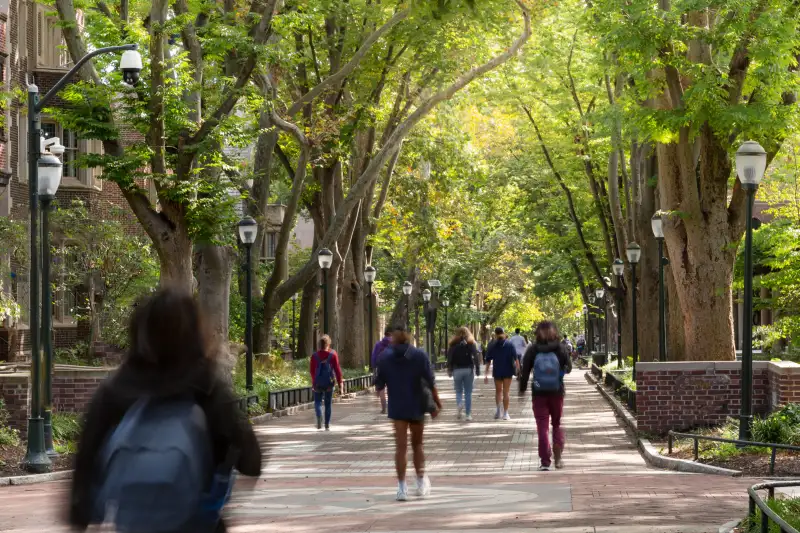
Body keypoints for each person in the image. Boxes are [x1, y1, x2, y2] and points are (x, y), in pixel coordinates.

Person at [69, 288, 263, 533]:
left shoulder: (117, 389)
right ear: (193, 333)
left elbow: (85, 464)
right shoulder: (208, 388)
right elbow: (252, 461)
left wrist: (82, 516)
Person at [375, 325, 442, 502]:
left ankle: (401, 487)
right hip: (417, 404)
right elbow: (430, 380)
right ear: (409, 335)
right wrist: (436, 402)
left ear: (393, 337)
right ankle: (420, 482)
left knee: (400, 447)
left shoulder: (385, 357)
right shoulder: (419, 355)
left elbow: (379, 384)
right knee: (417, 445)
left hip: (397, 405)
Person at [519, 321, 573, 471]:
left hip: (539, 392)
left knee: (542, 426)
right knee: (556, 423)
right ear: (554, 332)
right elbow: (569, 368)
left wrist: (522, 390)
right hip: (557, 391)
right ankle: (558, 450)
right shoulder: (560, 348)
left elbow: (524, 373)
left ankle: (545, 460)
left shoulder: (533, 349)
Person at [484, 327, 520, 420]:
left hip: (497, 371)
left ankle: (498, 411)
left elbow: (488, 360)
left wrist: (486, 374)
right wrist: (519, 371)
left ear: (495, 334)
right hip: (508, 370)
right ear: (504, 333)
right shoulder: (510, 344)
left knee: (498, 391)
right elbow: (516, 359)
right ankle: (506, 413)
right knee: (506, 392)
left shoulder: (492, 345)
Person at [310, 335, 344, 430]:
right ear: (328, 344)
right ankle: (327, 424)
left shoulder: (314, 356)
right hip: (329, 383)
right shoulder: (333, 354)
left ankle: (319, 416)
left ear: (319, 345)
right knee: (328, 404)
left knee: (317, 402)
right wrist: (340, 384)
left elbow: (312, 371)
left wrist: (314, 382)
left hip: (318, 383)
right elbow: (337, 370)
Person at [446, 326, 481, 421]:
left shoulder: (453, 345)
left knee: (458, 391)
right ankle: (468, 415)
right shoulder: (471, 344)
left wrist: (449, 369)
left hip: (457, 370)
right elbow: (476, 357)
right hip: (468, 370)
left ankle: (459, 404)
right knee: (468, 393)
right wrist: (477, 369)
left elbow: (449, 358)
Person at [371, 327, 393, 414]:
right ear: (391, 334)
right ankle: (391, 407)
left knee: (381, 389)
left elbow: (374, 356)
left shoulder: (378, 344)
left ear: (384, 334)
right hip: (392, 369)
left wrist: (374, 367)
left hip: (380, 369)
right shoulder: (394, 344)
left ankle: (384, 409)